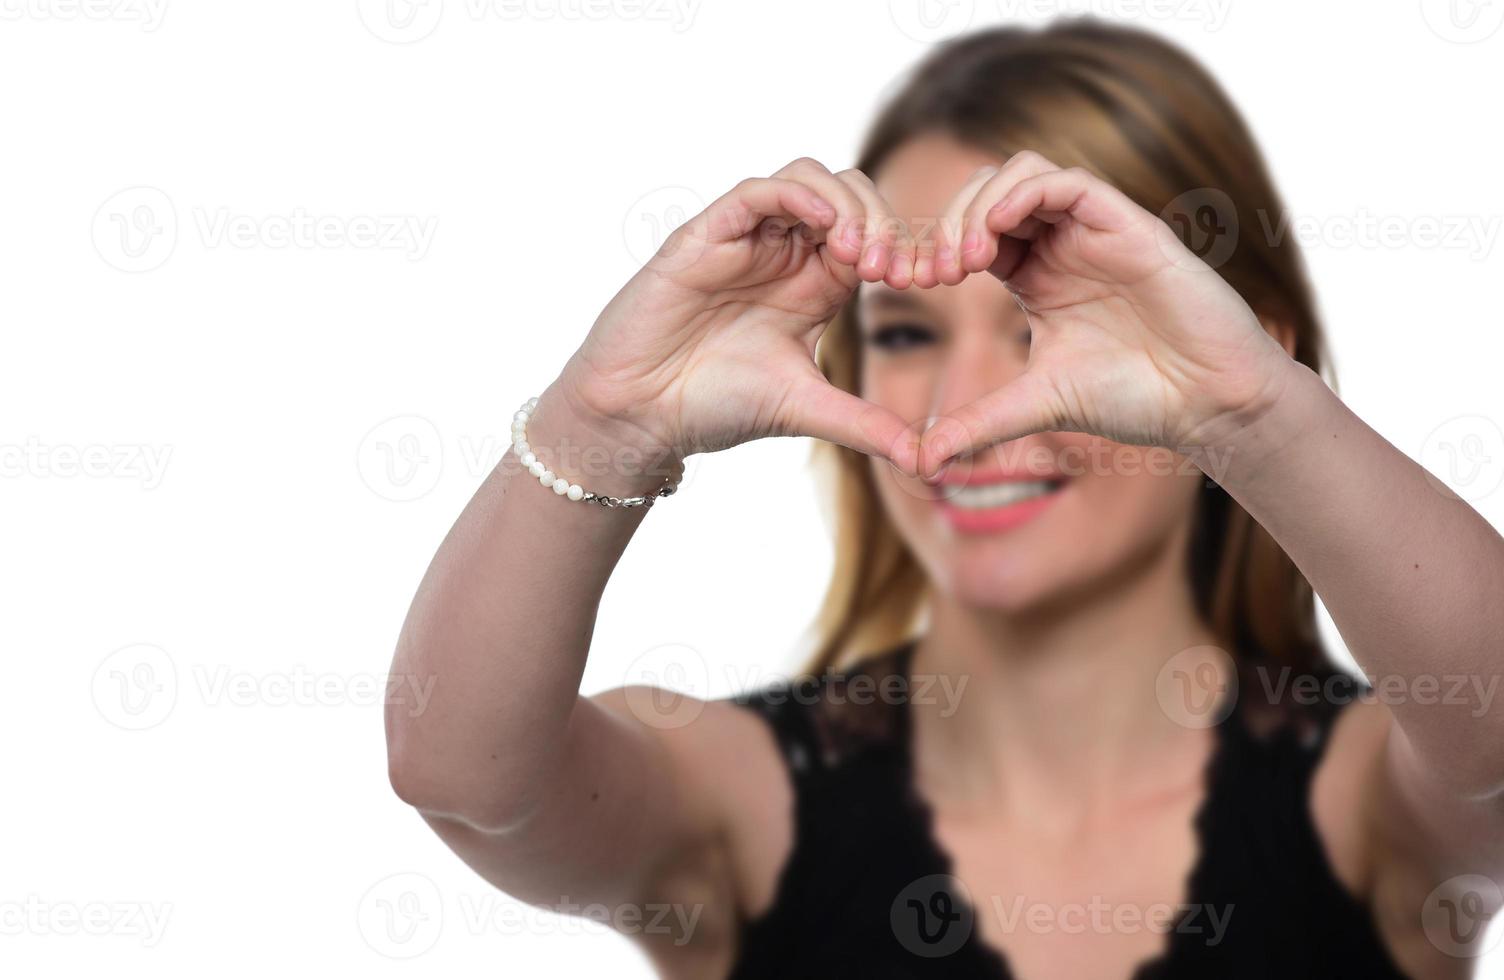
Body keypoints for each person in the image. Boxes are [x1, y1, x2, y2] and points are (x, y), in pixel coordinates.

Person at [385, 21, 1504, 979]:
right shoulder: (737, 796)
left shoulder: (1369, 795)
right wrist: (606, 421)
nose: (970, 400)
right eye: (910, 331)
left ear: (1248, 347)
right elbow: (466, 779)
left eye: (1042, 318)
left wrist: (1252, 417)